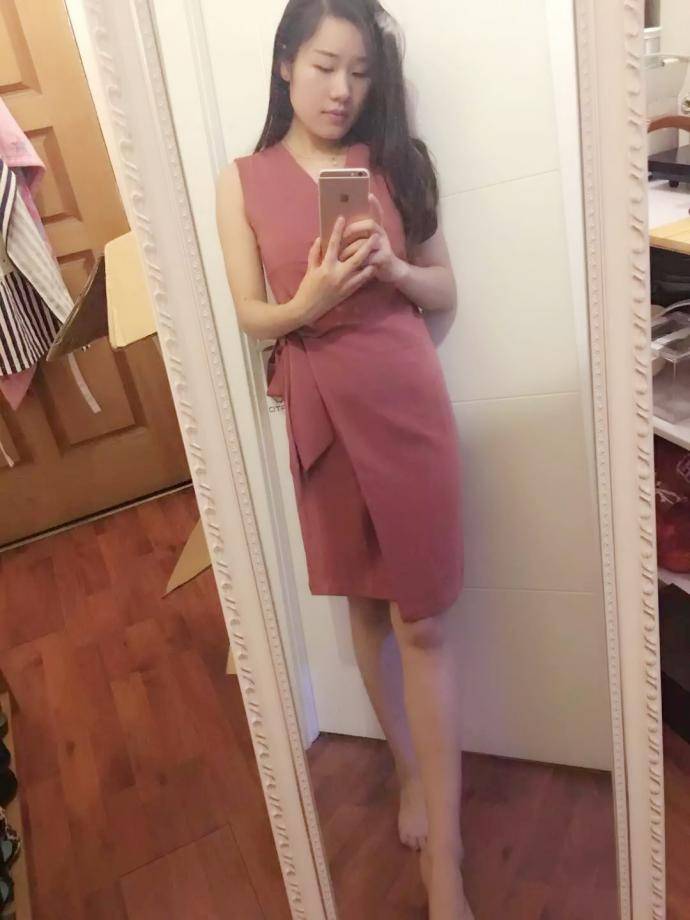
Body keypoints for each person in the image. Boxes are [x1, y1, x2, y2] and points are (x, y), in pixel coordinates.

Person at [216, 2, 470, 917]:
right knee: (368, 608)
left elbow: (444, 286)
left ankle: (447, 860)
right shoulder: (241, 180)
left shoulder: (395, 161)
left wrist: (394, 272)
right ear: (286, 62)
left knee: (424, 621)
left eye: (361, 72)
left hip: (405, 402)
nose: (343, 90)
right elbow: (251, 313)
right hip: (323, 412)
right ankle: (406, 768)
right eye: (326, 66)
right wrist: (308, 300)